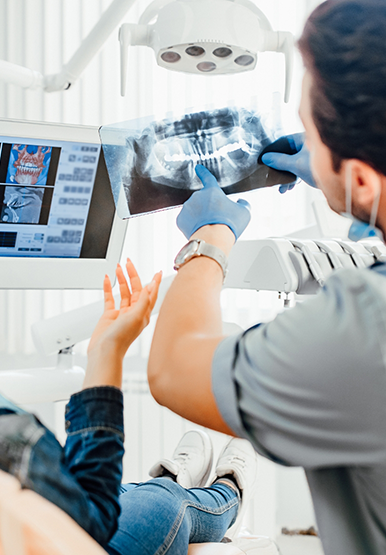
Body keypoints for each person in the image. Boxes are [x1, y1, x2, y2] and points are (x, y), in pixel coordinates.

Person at [0, 144, 257, 555]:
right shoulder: (0, 448)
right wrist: (107, 353)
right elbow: (94, 517)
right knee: (165, 502)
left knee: (132, 491)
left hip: (49, 506)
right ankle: (226, 490)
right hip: (88, 531)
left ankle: (177, 476)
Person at [147, 1, 386, 554]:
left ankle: (219, 488)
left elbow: (174, 368)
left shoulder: (364, 329)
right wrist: (343, 186)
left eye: (310, 131)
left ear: (362, 177)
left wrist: (210, 239)